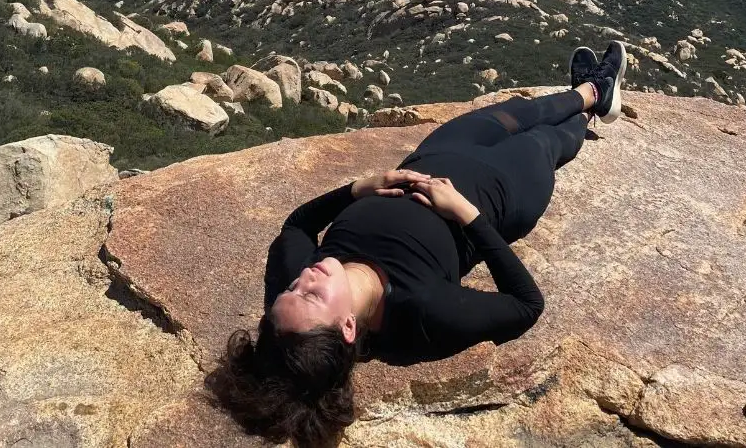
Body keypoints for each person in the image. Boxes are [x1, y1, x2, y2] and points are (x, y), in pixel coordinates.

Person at [212, 42, 627, 447]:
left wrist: (358, 188)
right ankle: (587, 112)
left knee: (528, 110)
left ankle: (590, 92)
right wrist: (467, 214)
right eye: (312, 295)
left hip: (437, 153)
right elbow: (526, 306)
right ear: (349, 328)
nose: (304, 278)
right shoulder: (423, 313)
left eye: (291, 290)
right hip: (505, 191)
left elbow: (296, 229)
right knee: (545, 141)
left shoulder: (292, 316)